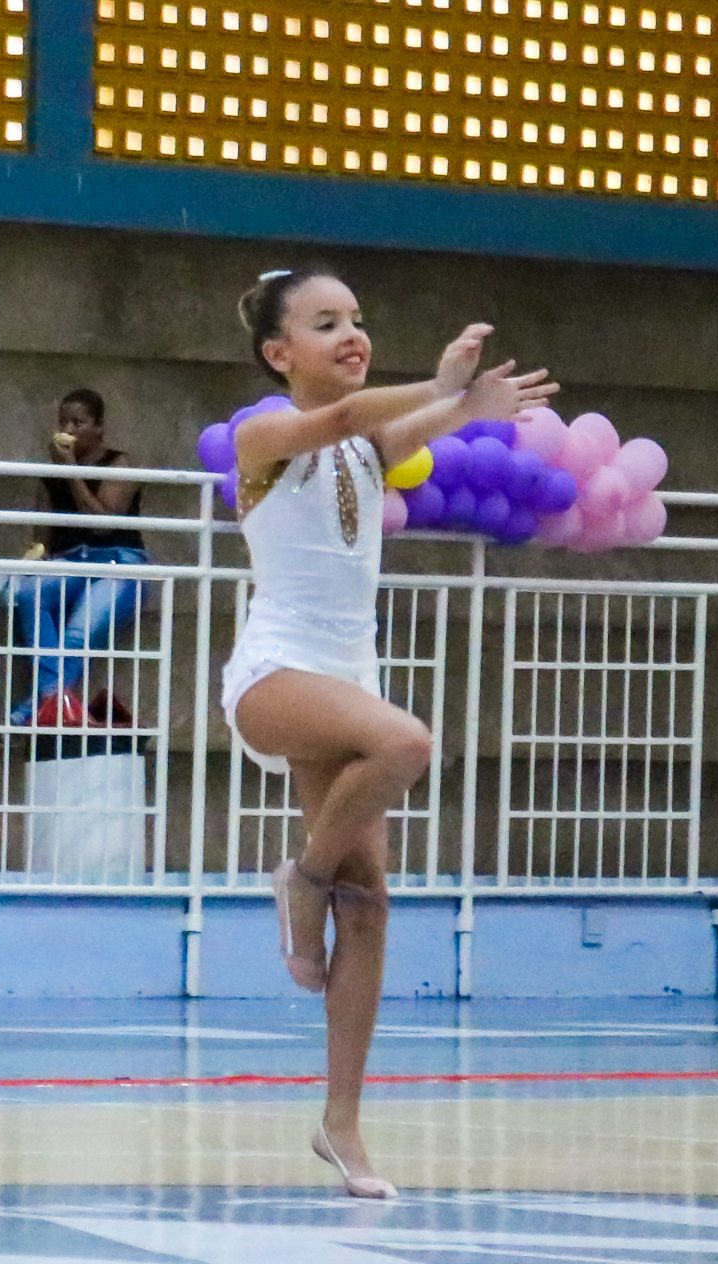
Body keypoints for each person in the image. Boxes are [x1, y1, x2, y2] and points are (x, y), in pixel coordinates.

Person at [223, 268, 556, 1200]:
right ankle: (302, 876)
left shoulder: (369, 442)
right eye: (325, 324)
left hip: (346, 678)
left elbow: (385, 429)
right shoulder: (264, 431)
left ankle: (340, 1123)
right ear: (277, 352)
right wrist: (446, 387)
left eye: (357, 320)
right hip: (276, 672)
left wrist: (470, 404)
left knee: (369, 906)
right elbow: (338, 421)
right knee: (406, 744)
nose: (350, 334)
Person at [19, 387, 146, 726]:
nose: (70, 429)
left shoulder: (120, 463)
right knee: (28, 594)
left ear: (99, 427)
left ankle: (33, 709)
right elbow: (41, 537)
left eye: (79, 422)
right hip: (71, 562)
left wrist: (72, 470)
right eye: (64, 422)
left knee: (77, 633)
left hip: (117, 563)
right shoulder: (51, 474)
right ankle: (51, 702)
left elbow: (103, 524)